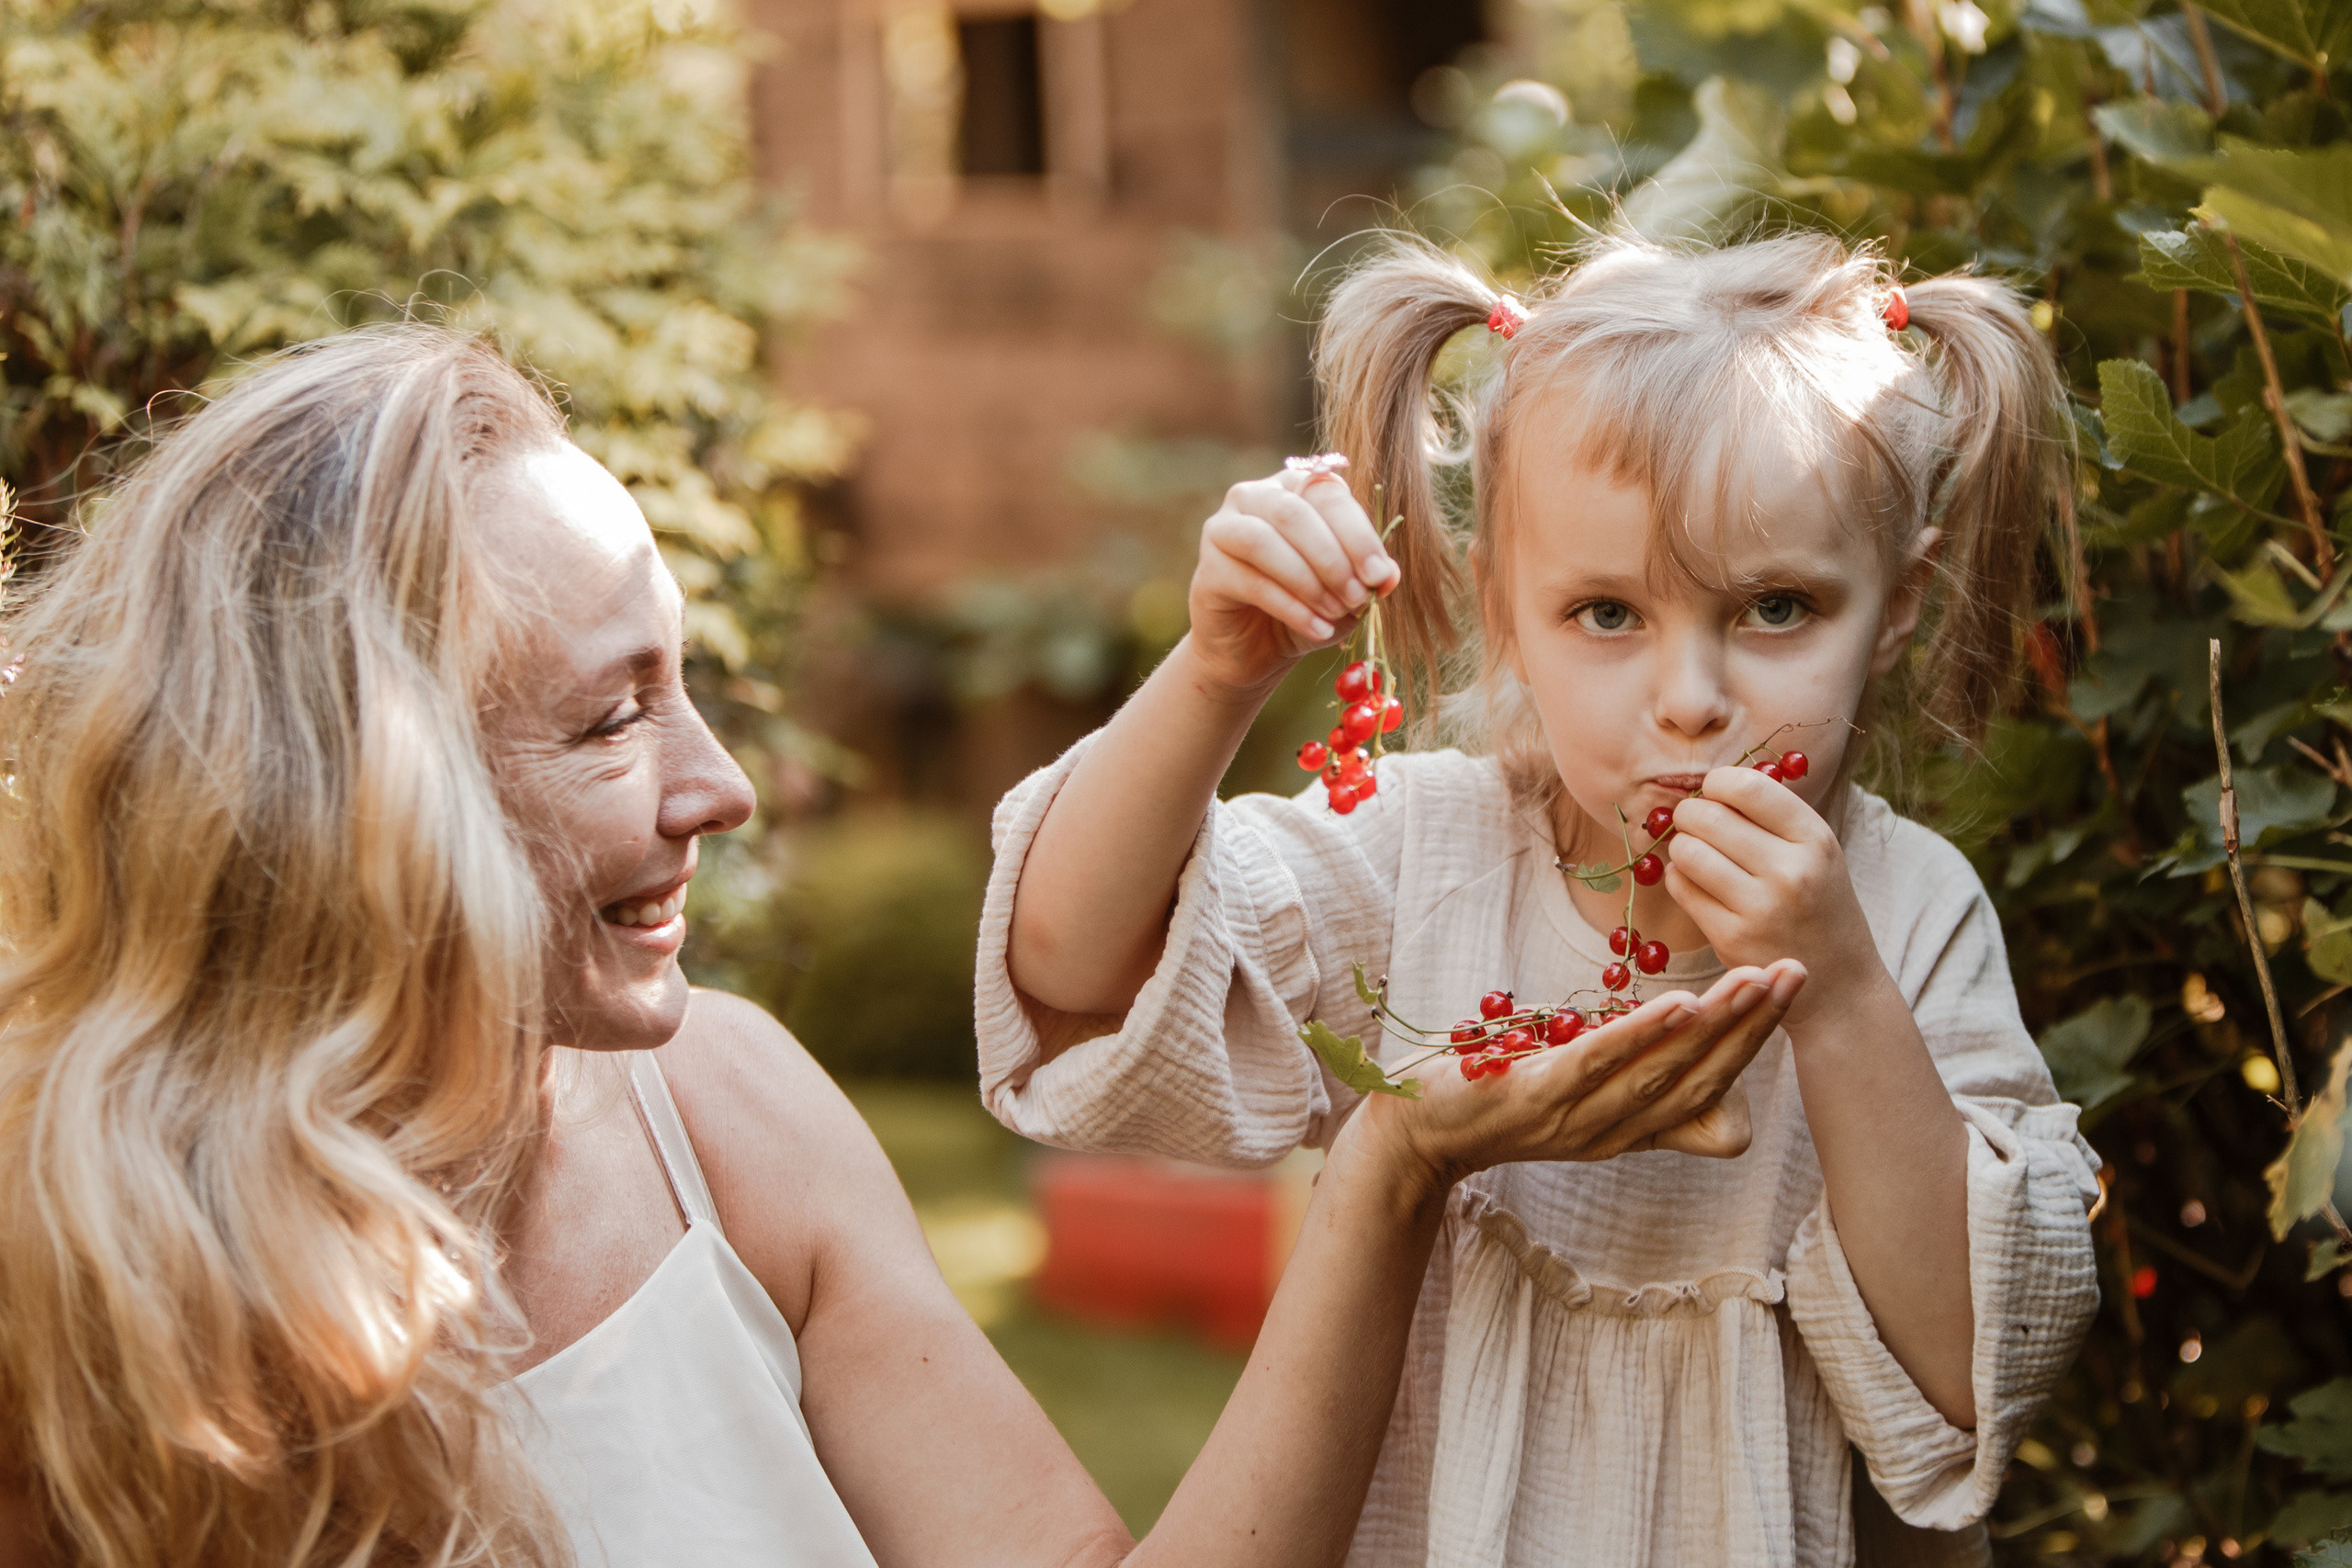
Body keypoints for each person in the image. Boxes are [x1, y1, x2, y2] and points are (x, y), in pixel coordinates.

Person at [0, 326, 1800, 1568]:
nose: (720, 787)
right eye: (611, 719)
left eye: (684, 680)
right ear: (361, 797)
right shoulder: (81, 1279)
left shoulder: (723, 1109)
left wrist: (1391, 1169)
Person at [983, 231, 2104, 1566]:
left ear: (1902, 604)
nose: (1692, 700)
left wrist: (1846, 994)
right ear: (1503, 609)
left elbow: (1970, 1379)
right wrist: (1219, 672)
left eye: (1778, 607)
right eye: (1609, 615)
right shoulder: (1424, 861)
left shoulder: (1908, 912)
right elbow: (1070, 962)